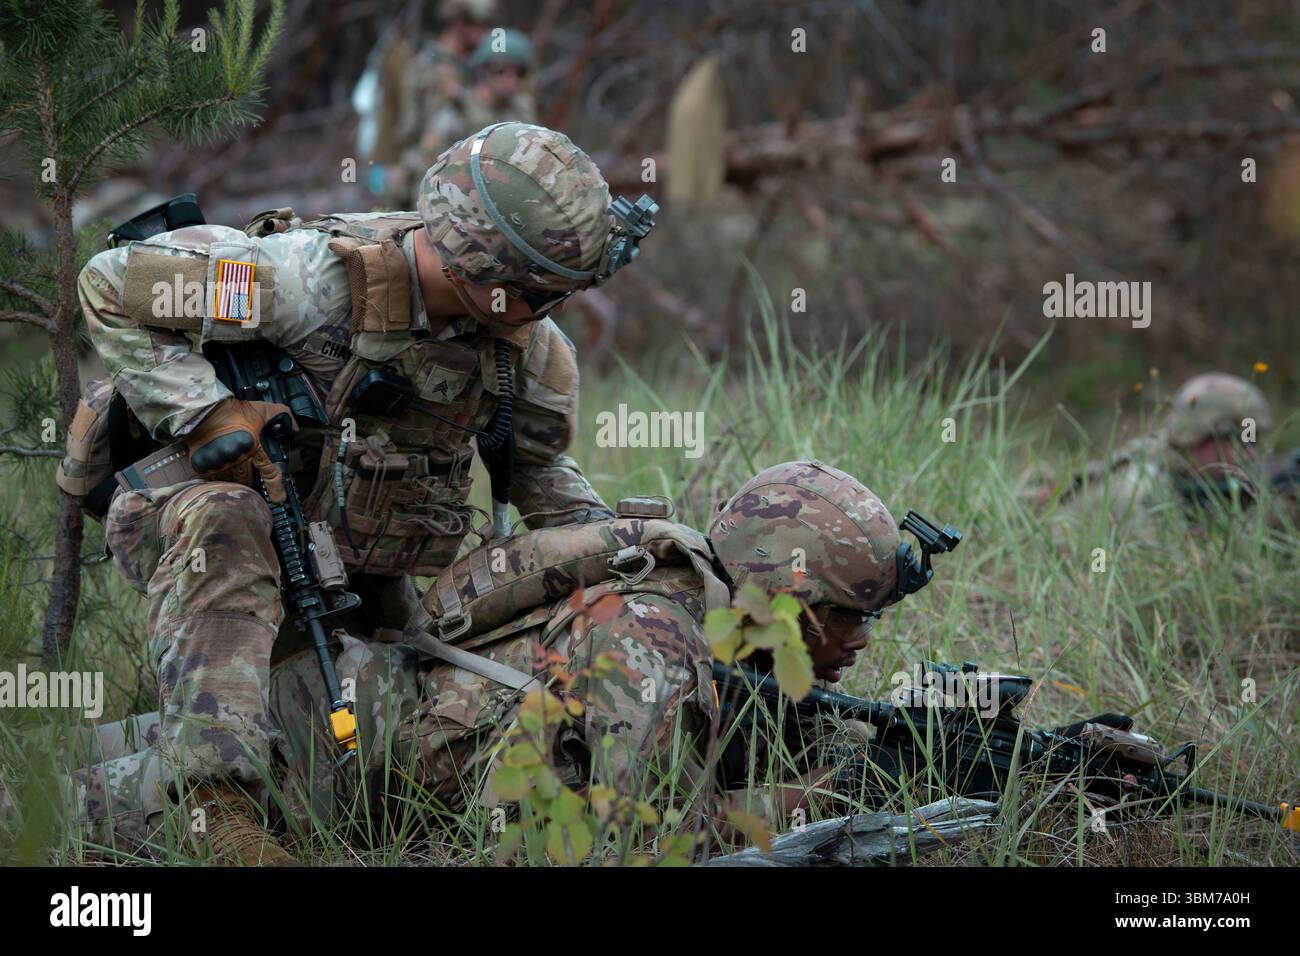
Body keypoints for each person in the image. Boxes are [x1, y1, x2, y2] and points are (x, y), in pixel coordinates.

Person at [63, 121, 657, 864]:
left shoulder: (526, 354)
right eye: (546, 291)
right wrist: (206, 413)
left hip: (353, 567)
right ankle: (219, 814)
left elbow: (543, 478)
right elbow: (112, 283)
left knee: (380, 719)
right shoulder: (304, 286)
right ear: (498, 280)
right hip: (202, 517)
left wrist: (623, 558)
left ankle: (82, 761)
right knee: (229, 517)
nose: (554, 310)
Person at [60, 461, 947, 861]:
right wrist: (808, 801)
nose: (861, 642)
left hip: (332, 710)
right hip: (312, 768)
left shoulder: (681, 598)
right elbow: (613, 844)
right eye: (846, 615)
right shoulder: (658, 640)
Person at [1035, 372, 1281, 521]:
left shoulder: (1189, 476)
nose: (1249, 452)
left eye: (1254, 440)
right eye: (1239, 439)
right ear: (1198, 436)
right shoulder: (1139, 487)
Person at [379, 0, 499, 206]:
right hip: (430, 170)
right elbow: (409, 127)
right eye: (477, 24)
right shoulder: (429, 67)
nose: (484, 33)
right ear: (458, 23)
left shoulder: (478, 64)